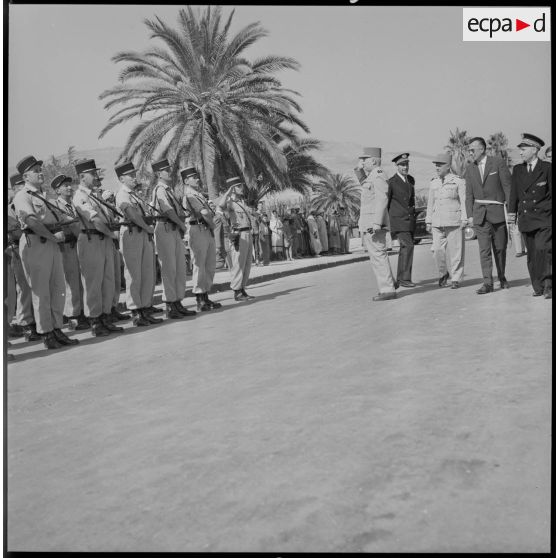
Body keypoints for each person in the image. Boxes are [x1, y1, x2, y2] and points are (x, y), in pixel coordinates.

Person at [13, 155, 78, 348]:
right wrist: (53, 236)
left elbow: (58, 218)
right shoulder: (22, 196)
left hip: (51, 244)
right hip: (36, 243)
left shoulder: (44, 196)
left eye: (40, 170)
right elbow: (31, 221)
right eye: (35, 171)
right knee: (41, 291)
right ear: (25, 177)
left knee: (58, 289)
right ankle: (46, 333)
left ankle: (57, 329)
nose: (40, 173)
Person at [73, 158, 122, 336]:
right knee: (94, 282)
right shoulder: (80, 196)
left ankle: (105, 317)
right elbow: (95, 220)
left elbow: (106, 218)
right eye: (92, 174)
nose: (95, 176)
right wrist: (111, 234)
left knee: (107, 281)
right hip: (91, 240)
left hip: (103, 239)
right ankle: (95, 321)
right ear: (82, 177)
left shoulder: (94, 195)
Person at [114, 161, 163, 327]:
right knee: (134, 274)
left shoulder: (134, 194)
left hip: (142, 233)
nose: (134, 178)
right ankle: (136, 311)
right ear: (121, 179)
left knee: (146, 273)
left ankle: (145, 308)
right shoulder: (122, 194)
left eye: (134, 174)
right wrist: (147, 228)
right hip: (132, 234)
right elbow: (132, 215)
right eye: (130, 175)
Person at [464, 136, 511, 294]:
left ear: (482, 149)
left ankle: (502, 277)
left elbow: (507, 187)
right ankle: (487, 283)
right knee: (484, 250)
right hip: (480, 216)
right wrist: (470, 215)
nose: (470, 153)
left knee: (500, 249)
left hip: (498, 214)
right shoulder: (470, 169)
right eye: (469, 150)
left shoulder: (497, 163)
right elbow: (468, 194)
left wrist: (511, 211)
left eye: (472, 150)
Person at [508, 133, 552, 298]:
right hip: (526, 219)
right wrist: (511, 215)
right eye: (520, 149)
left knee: (544, 249)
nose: (520, 152)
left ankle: (549, 285)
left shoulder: (547, 168)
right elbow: (513, 194)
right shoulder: (518, 170)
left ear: (534, 150)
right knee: (532, 255)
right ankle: (538, 286)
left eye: (524, 149)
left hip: (544, 218)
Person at [356, 147, 397, 300]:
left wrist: (377, 223)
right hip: (369, 223)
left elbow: (382, 199)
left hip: (374, 224)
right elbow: (363, 184)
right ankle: (390, 283)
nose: (362, 162)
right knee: (376, 256)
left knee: (378, 255)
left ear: (373, 161)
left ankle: (387, 289)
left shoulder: (378, 175)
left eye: (364, 160)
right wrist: (358, 169)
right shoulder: (372, 176)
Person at [150, 157, 190, 319]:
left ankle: (177, 301)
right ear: (159, 174)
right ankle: (170, 303)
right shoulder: (160, 190)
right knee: (169, 268)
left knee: (179, 267)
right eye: (166, 170)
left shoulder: (168, 190)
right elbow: (168, 211)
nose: (170, 172)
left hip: (172, 229)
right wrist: (181, 225)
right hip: (165, 228)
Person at [51, 175, 90, 331]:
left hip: (79, 245)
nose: (69, 187)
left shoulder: (73, 204)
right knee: (71, 282)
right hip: (67, 246)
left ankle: (82, 313)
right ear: (57, 190)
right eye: (65, 186)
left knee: (81, 280)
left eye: (69, 184)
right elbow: (68, 223)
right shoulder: (55, 205)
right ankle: (73, 317)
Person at [425, 153, 467, 289]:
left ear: (448, 166)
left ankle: (456, 278)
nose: (437, 167)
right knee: (437, 250)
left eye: (440, 165)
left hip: (454, 221)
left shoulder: (458, 181)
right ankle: (443, 273)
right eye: (436, 165)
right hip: (437, 221)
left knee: (456, 251)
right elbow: (430, 203)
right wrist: (428, 221)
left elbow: (464, 201)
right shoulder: (434, 182)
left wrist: (464, 219)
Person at [181, 165, 221, 311]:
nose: (197, 179)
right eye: (193, 177)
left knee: (209, 264)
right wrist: (212, 224)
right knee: (199, 264)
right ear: (186, 181)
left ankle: (205, 295)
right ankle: (199, 297)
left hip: (205, 229)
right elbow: (204, 212)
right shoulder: (189, 195)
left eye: (197, 177)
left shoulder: (198, 194)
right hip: (197, 228)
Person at [7, 174, 38, 341]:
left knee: (35, 285)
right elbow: (15, 231)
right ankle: (27, 324)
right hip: (17, 250)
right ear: (13, 189)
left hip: (32, 247)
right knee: (24, 287)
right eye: (19, 185)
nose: (23, 187)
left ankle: (37, 321)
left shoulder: (30, 203)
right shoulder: (9, 209)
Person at [218, 176, 255, 301]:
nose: (242, 188)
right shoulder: (229, 202)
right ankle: (237, 291)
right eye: (238, 186)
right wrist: (228, 193)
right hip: (239, 235)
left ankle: (242, 288)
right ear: (232, 189)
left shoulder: (241, 201)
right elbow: (220, 206)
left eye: (241, 185)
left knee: (247, 263)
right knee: (238, 264)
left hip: (248, 233)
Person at [100, 188, 131, 323]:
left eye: (112, 198)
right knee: (107, 279)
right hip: (107, 240)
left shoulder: (109, 208)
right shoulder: (101, 206)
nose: (111, 201)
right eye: (109, 199)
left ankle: (113, 307)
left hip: (114, 242)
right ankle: (107, 311)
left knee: (116, 278)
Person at [387, 153, 416, 287]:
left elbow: (411, 201)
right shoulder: (392, 182)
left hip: (409, 220)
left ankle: (401, 278)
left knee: (406, 248)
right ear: (397, 166)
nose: (405, 167)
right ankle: (404, 279)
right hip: (398, 220)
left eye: (406, 164)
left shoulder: (410, 180)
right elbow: (387, 203)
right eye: (402, 165)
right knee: (408, 246)